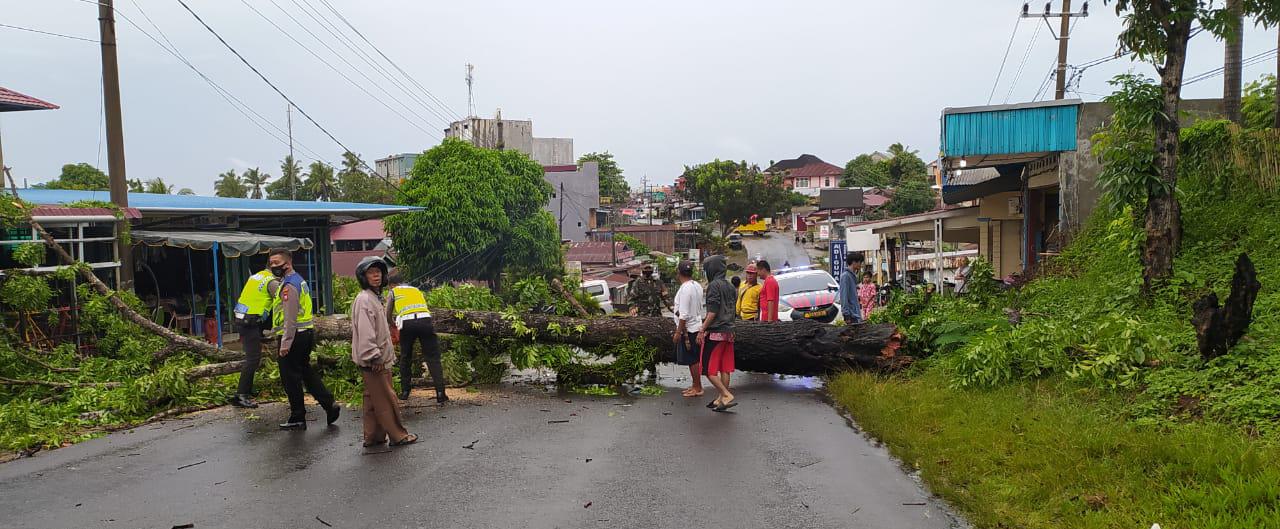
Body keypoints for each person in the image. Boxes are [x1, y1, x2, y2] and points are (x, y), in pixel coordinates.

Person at [269, 249, 339, 430]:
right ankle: (329, 404)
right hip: (305, 333)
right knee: (306, 373)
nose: (273, 266)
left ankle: (298, 417)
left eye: (276, 262)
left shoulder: (289, 285)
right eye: (271, 263)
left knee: (290, 378)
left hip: (294, 335)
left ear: (287, 263)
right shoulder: (298, 280)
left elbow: (290, 317)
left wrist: (285, 343)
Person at [351, 257, 416, 447]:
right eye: (371, 273)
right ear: (363, 276)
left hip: (375, 358)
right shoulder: (365, 300)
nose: (376, 276)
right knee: (386, 399)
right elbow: (365, 331)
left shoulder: (372, 298)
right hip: (374, 359)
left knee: (372, 399)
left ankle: (373, 436)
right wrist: (374, 356)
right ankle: (398, 435)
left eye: (378, 272)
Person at [385, 271, 447, 403]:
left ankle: (405, 391)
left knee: (406, 357)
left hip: (407, 324)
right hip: (425, 321)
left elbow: (387, 314)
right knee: (433, 358)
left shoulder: (393, 292)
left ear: (391, 284)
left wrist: (392, 325)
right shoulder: (416, 290)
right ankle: (440, 393)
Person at [227, 266, 276, 408]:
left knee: (252, 357)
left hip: (244, 319)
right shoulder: (271, 282)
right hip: (250, 322)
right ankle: (241, 395)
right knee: (253, 359)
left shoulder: (257, 276)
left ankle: (243, 393)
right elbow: (280, 303)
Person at [698, 255, 737, 411]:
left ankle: (726, 395)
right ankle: (721, 399)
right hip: (729, 332)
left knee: (708, 369)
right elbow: (733, 310)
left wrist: (702, 329)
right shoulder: (729, 286)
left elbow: (712, 312)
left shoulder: (714, 286)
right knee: (724, 368)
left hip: (715, 333)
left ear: (711, 269)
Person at [672, 260, 705, 398]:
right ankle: (695, 384)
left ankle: (697, 387)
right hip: (696, 324)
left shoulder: (686, 288)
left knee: (692, 360)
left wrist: (678, 332)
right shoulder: (696, 285)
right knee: (694, 358)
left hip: (689, 329)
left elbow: (683, 314)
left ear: (678, 273)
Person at [838, 253, 864, 324]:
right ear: (853, 262)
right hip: (851, 315)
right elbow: (844, 296)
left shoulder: (852, 276)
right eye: (860, 262)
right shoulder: (845, 276)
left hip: (856, 315)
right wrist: (846, 315)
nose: (860, 265)